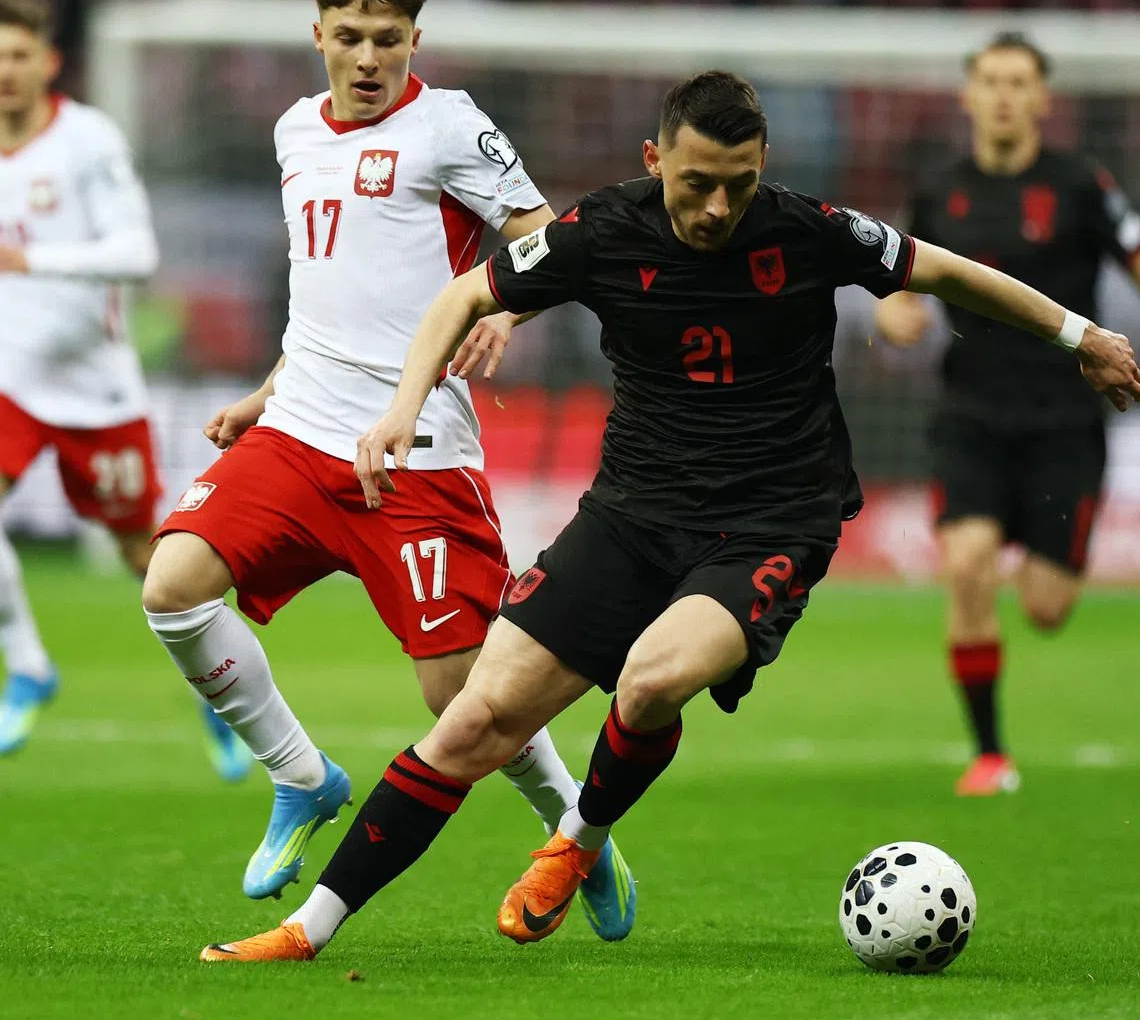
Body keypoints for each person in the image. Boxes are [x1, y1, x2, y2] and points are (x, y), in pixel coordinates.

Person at [198, 70, 1140, 961]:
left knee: (650, 682)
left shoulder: (809, 230)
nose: (719, 208)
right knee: (473, 720)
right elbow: (463, 293)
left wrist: (1082, 335)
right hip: (631, 515)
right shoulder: (602, 230)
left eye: (739, 184)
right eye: (698, 184)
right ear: (656, 162)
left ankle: (577, 839)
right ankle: (309, 931)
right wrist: (402, 407)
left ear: (762, 166)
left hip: (772, 522)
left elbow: (948, 274)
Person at [140, 0, 634, 937]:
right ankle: (301, 775)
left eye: (391, 41)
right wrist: (264, 390)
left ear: (417, 39)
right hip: (298, 430)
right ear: (318, 33)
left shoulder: (450, 124)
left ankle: (573, 833)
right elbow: (329, 291)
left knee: (463, 701)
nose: (370, 60)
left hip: (418, 456)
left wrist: (509, 308)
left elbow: (550, 238)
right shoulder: (293, 131)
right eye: (353, 38)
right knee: (172, 589)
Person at [875, 32, 1140, 796]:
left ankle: (1033, 549)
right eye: (989, 80)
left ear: (1041, 99)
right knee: (965, 569)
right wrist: (897, 316)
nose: (1002, 95)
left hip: (1065, 423)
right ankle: (989, 755)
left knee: (1049, 609)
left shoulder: (1083, 186)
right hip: (971, 417)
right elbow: (897, 283)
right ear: (968, 96)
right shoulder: (937, 193)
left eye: (1018, 82)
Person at [0, 0, 249, 779]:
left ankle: (224, 701)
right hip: (10, 379)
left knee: (149, 559)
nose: (4, 72)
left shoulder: (87, 141)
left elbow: (138, 253)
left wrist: (35, 262)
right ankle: (30, 665)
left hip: (94, 391)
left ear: (49, 62)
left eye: (17, 56)